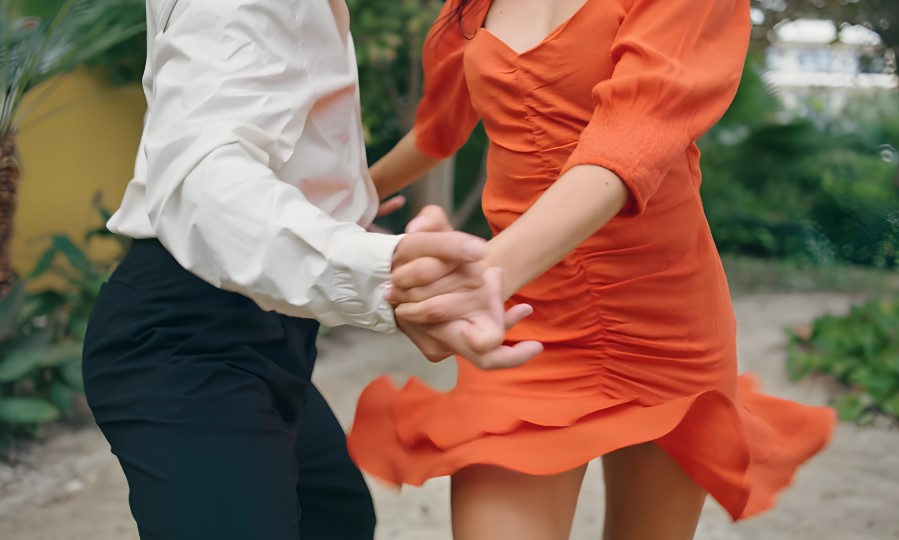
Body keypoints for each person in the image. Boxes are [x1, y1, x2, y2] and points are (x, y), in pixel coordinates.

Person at [347, 0, 837, 538]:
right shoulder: (467, 8)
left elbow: (628, 145)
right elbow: (436, 132)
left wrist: (486, 276)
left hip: (659, 316)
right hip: (529, 319)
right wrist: (349, 201)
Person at [81, 1, 543, 539]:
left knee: (336, 516)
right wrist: (381, 273)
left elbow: (252, 135)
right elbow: (203, 187)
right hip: (186, 339)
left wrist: (343, 215)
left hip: (261, 326)